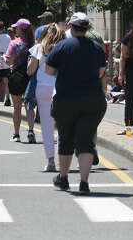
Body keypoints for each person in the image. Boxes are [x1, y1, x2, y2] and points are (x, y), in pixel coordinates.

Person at [45, 12, 107, 195]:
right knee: (86, 140)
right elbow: (101, 71)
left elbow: (49, 70)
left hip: (66, 99)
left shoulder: (63, 46)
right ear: (86, 28)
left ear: (71, 27)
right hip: (93, 99)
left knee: (66, 138)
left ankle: (63, 178)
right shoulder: (96, 47)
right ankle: (84, 182)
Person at [30, 23, 64, 172]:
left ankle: (50, 161)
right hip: (60, 87)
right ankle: (63, 160)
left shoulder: (38, 48)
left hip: (43, 86)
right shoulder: (63, 47)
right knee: (62, 126)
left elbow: (30, 70)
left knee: (46, 126)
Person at [5, 19, 37, 143]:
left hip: (17, 76)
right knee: (29, 106)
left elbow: (10, 62)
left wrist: (3, 57)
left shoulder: (14, 43)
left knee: (17, 108)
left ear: (20, 29)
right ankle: (30, 130)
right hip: (31, 76)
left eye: (16, 28)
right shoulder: (34, 43)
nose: (14, 29)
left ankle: (17, 134)